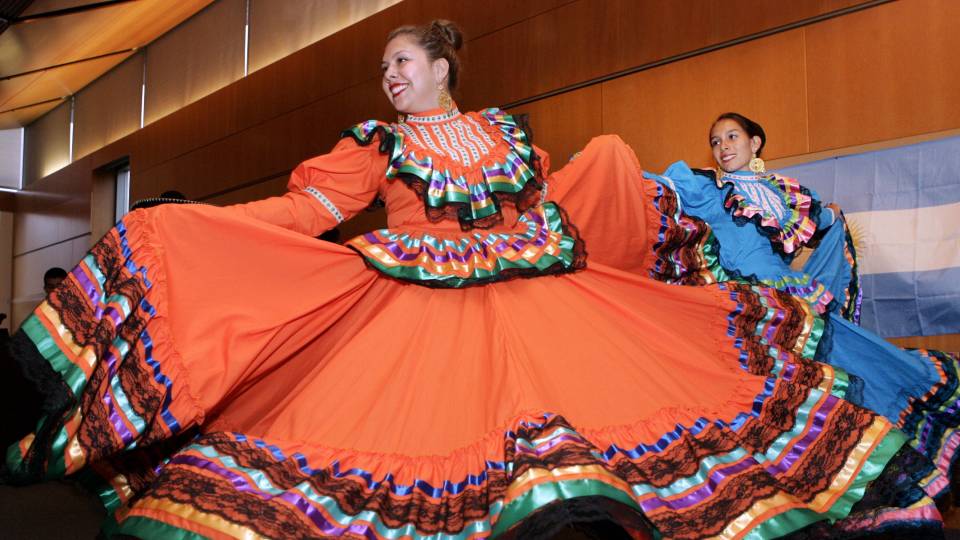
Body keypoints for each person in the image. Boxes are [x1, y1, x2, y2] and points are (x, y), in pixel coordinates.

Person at [0, 22, 937, 539]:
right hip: (416, 310)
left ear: (441, 66)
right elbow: (303, 214)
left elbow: (553, 200)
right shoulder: (376, 144)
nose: (390, 78)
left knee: (617, 412)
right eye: (382, 70)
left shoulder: (508, 130)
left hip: (538, 290)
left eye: (400, 63)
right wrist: (190, 227)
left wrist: (608, 170)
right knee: (425, 436)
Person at [628, 112, 960, 504]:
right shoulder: (709, 189)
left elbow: (820, 219)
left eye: (732, 137)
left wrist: (834, 215)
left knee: (848, 369)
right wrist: (620, 167)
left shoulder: (784, 191)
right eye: (716, 141)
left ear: (756, 143)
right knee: (781, 404)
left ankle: (890, 463)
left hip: (791, 301)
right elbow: (658, 184)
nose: (723, 147)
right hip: (749, 307)